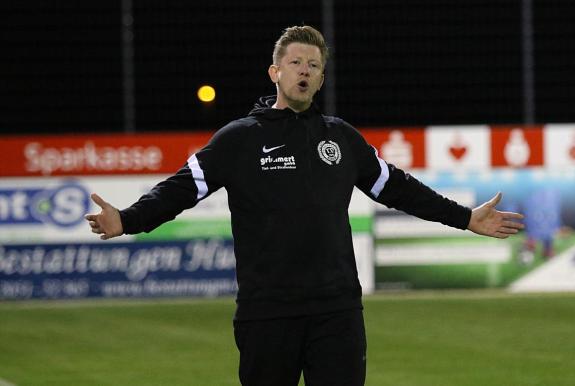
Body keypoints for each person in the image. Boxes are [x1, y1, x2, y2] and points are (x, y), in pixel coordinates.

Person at [85, 25, 524, 386]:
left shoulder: (342, 139)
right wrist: (127, 219)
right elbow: (180, 189)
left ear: (321, 78)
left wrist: (464, 218)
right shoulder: (239, 139)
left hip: (337, 311)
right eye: (296, 62)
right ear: (275, 72)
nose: (305, 71)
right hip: (266, 313)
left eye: (314, 65)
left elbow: (401, 189)